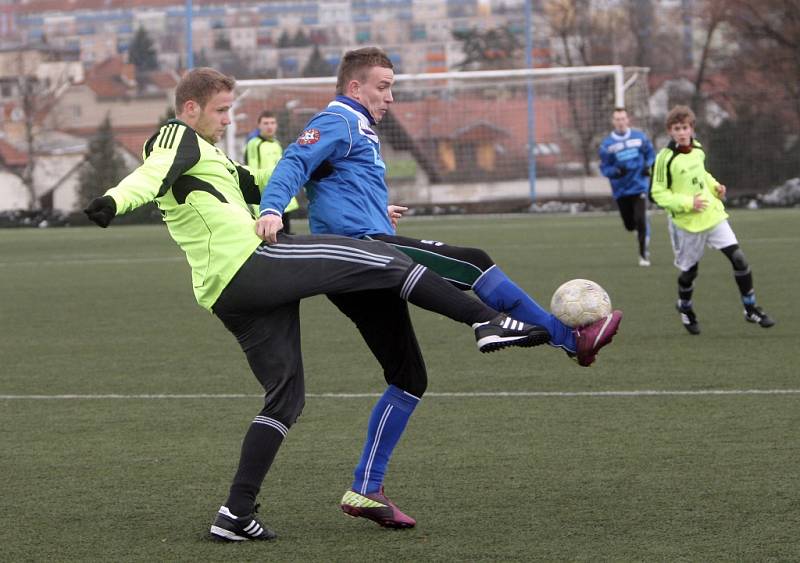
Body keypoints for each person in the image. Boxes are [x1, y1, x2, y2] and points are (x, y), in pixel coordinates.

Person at [83, 67, 550, 542]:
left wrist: (328, 175)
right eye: (221, 110)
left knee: (286, 397)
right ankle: (487, 321)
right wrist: (112, 202)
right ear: (190, 109)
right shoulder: (175, 137)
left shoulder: (211, 157)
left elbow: (262, 181)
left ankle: (235, 513)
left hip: (230, 294)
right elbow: (149, 176)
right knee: (379, 256)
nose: (228, 120)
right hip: (253, 263)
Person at [256, 47, 623, 529]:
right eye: (383, 86)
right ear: (354, 88)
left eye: (392, 87)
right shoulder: (339, 119)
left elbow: (331, 186)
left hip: (359, 260)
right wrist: (272, 208)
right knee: (473, 263)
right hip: (368, 255)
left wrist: (377, 211)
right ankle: (568, 338)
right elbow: (294, 162)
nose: (390, 97)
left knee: (409, 378)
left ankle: (366, 488)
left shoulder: (357, 129)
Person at [650, 105, 775, 334]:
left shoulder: (697, 149)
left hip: (712, 214)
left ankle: (750, 308)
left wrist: (715, 186)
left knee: (739, 259)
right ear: (670, 131)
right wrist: (689, 204)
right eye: (676, 128)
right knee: (690, 272)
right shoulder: (664, 159)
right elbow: (657, 193)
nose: (681, 132)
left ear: (691, 128)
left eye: (685, 127)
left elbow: (702, 175)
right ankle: (685, 308)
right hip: (687, 224)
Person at [598, 107, 656, 266]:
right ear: (613, 122)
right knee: (630, 225)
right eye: (617, 119)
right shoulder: (606, 145)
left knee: (641, 220)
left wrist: (648, 165)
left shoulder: (640, 137)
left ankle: (643, 255)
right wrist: (616, 171)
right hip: (621, 190)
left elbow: (651, 154)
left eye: (623, 118)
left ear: (628, 120)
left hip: (639, 186)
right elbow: (604, 168)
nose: (621, 122)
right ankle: (639, 226)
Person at [243, 110, 299, 233]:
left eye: (272, 123)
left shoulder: (277, 144)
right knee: (273, 236)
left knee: (286, 233)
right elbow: (252, 171)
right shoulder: (254, 144)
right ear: (259, 125)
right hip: (267, 198)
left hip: (282, 196)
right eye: (266, 123)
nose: (269, 126)